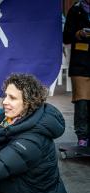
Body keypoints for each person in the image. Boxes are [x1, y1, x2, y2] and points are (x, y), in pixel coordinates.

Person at [64, 0, 90, 147]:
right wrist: (79, 33)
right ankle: (82, 137)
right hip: (80, 63)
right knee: (81, 102)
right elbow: (66, 36)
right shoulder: (75, 10)